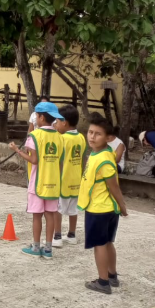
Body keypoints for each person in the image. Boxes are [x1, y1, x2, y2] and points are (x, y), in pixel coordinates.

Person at [78, 113, 128, 294]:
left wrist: (122, 206)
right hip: (105, 208)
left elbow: (114, 186)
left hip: (100, 209)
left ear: (108, 138)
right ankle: (112, 275)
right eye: (90, 132)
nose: (92, 137)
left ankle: (103, 282)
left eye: (97, 134)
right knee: (107, 242)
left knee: (100, 245)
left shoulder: (104, 159)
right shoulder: (98, 153)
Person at [9, 102, 64, 261]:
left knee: (37, 216)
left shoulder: (34, 136)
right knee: (50, 215)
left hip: (38, 183)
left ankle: (35, 247)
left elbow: (34, 160)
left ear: (40, 117)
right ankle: (48, 249)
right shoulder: (59, 137)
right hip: (53, 184)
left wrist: (17, 150)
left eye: (36, 116)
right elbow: (60, 161)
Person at [53, 104, 86, 247]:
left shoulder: (61, 139)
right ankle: (72, 235)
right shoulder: (81, 138)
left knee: (57, 209)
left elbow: (59, 161)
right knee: (73, 210)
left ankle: (57, 236)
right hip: (76, 180)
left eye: (57, 121)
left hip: (63, 180)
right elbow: (83, 159)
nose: (55, 124)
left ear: (64, 123)